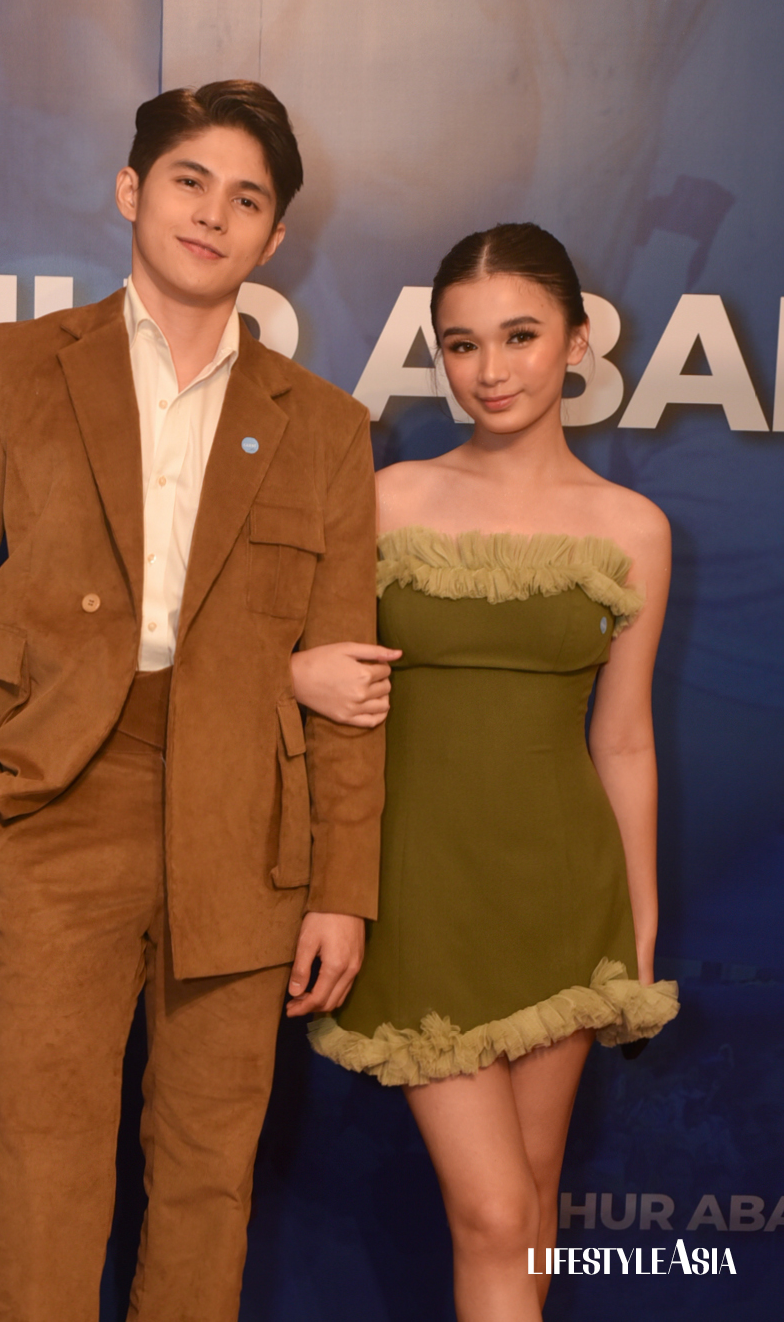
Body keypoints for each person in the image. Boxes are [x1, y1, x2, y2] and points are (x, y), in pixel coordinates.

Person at [0, 80, 385, 1322]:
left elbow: (348, 679)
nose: (212, 214)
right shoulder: (15, 368)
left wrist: (341, 886)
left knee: (209, 1171)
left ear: (273, 239)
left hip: (248, 821)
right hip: (61, 803)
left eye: (246, 199)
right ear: (131, 189)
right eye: (188, 180)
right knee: (44, 1162)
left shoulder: (326, 429)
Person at [298, 223, 679, 1320]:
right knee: (495, 1211)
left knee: (532, 1194)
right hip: (417, 890)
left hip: (563, 896)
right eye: (462, 344)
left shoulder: (633, 529)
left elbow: (622, 739)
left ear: (576, 341)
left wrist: (638, 923)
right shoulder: (385, 500)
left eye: (519, 336)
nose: (491, 369)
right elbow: (298, 677)